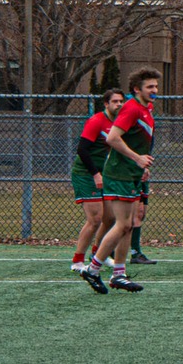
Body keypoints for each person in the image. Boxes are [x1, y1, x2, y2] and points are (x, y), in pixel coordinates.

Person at [80, 69, 162, 294]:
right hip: (119, 174)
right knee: (123, 224)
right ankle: (93, 268)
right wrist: (136, 159)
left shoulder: (147, 107)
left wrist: (142, 166)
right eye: (149, 87)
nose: (154, 90)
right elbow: (113, 138)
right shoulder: (132, 108)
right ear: (137, 89)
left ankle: (118, 274)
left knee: (131, 224)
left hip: (131, 173)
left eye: (155, 86)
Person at [70, 89, 125, 271]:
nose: (118, 105)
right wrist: (95, 174)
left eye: (121, 101)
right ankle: (77, 260)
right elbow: (82, 150)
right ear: (106, 104)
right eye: (115, 101)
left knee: (109, 218)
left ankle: (97, 254)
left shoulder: (118, 123)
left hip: (104, 174)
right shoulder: (96, 121)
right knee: (95, 219)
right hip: (86, 174)